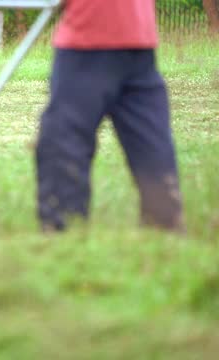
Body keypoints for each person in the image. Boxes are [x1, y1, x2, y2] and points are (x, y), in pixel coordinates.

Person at [35, 0, 184, 232]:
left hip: (89, 42)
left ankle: (62, 229)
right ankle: (165, 223)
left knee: (65, 139)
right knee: (152, 143)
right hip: (137, 39)